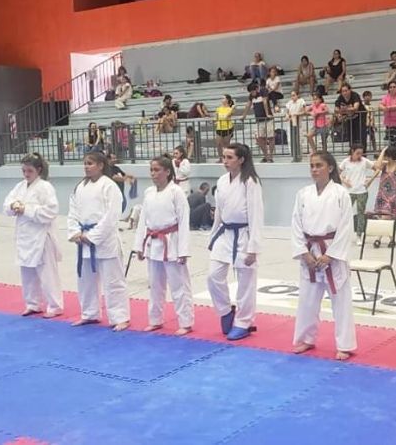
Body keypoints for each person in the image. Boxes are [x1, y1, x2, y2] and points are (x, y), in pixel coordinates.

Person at [291, 151, 357, 360]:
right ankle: (306, 339)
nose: (314, 169)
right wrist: (303, 252)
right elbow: (295, 224)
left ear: (330, 168)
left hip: (332, 252)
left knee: (341, 300)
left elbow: (347, 226)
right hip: (310, 252)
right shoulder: (303, 194)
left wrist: (332, 255)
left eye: (319, 165)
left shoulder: (340, 193)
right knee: (307, 300)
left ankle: (345, 344)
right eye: (312, 165)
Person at [67, 152, 131, 332]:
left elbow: (112, 216)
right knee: (85, 280)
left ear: (101, 165)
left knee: (113, 281)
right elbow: (72, 212)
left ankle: (120, 317)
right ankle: (89, 313)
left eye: (90, 163)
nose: (86, 166)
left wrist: (93, 236)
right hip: (83, 239)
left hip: (105, 239)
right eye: (85, 163)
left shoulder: (109, 186)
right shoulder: (79, 187)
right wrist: (75, 232)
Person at [207, 143, 264, 340]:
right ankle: (225, 310)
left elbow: (257, 215)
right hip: (225, 233)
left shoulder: (250, 181)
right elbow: (219, 212)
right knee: (213, 276)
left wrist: (253, 248)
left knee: (245, 281)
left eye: (230, 157)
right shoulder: (222, 181)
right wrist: (213, 236)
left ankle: (243, 321)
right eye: (224, 157)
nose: (225, 161)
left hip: (244, 234)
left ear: (241, 160)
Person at [133, 155, 194, 335]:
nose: (153, 173)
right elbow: (143, 220)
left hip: (172, 242)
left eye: (157, 170)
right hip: (153, 242)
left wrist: (184, 250)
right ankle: (155, 319)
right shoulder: (149, 193)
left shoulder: (177, 192)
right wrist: (139, 246)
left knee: (179, 285)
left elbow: (184, 222)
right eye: (151, 170)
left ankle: (185, 321)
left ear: (168, 172)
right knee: (155, 285)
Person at [3, 153, 64, 318]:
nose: (26, 174)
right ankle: (33, 303)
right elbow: (6, 204)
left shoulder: (45, 187)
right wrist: (13, 204)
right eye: (23, 171)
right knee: (27, 272)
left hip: (42, 236)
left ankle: (55, 305)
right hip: (24, 235)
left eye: (29, 171)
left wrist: (26, 210)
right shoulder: (20, 186)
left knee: (47, 273)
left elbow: (51, 211)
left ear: (38, 170)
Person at [370, 146, 396, 248]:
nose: (385, 158)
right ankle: (392, 239)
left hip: (393, 195)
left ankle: (378, 239)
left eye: (387, 156)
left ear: (391, 156)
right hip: (382, 194)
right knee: (384, 218)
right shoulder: (384, 165)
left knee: (386, 217)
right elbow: (376, 166)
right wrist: (382, 151)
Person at [339, 144, 374, 245]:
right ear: (352, 151)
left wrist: (369, 181)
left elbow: (377, 169)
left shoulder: (364, 161)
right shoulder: (346, 162)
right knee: (345, 213)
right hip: (349, 192)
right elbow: (337, 172)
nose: (359, 155)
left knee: (360, 214)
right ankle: (343, 235)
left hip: (362, 191)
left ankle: (359, 236)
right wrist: (344, 180)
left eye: (361, 153)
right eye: (357, 153)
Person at [241, 84, 275, 163]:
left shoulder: (263, 91)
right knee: (260, 138)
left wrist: (267, 114)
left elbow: (265, 102)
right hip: (259, 120)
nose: (252, 93)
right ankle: (266, 156)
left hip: (268, 119)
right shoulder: (251, 96)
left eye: (253, 91)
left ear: (257, 89)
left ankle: (270, 156)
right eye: (251, 92)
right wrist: (244, 116)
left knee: (271, 137)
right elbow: (248, 105)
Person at [335, 83, 367, 152]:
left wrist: (344, 110)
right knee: (351, 135)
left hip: (360, 117)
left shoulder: (355, 95)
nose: (344, 93)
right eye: (343, 91)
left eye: (346, 91)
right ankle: (353, 151)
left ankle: (363, 152)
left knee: (361, 134)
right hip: (350, 117)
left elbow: (355, 108)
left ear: (350, 90)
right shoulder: (340, 97)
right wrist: (343, 111)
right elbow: (336, 109)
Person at [215, 94, 236, 161]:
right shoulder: (218, 109)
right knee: (218, 143)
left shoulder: (230, 109)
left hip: (227, 128)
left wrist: (232, 108)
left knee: (226, 144)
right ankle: (220, 158)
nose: (222, 100)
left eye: (223, 98)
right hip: (219, 128)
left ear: (227, 100)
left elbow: (226, 116)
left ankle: (227, 157)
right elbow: (216, 118)